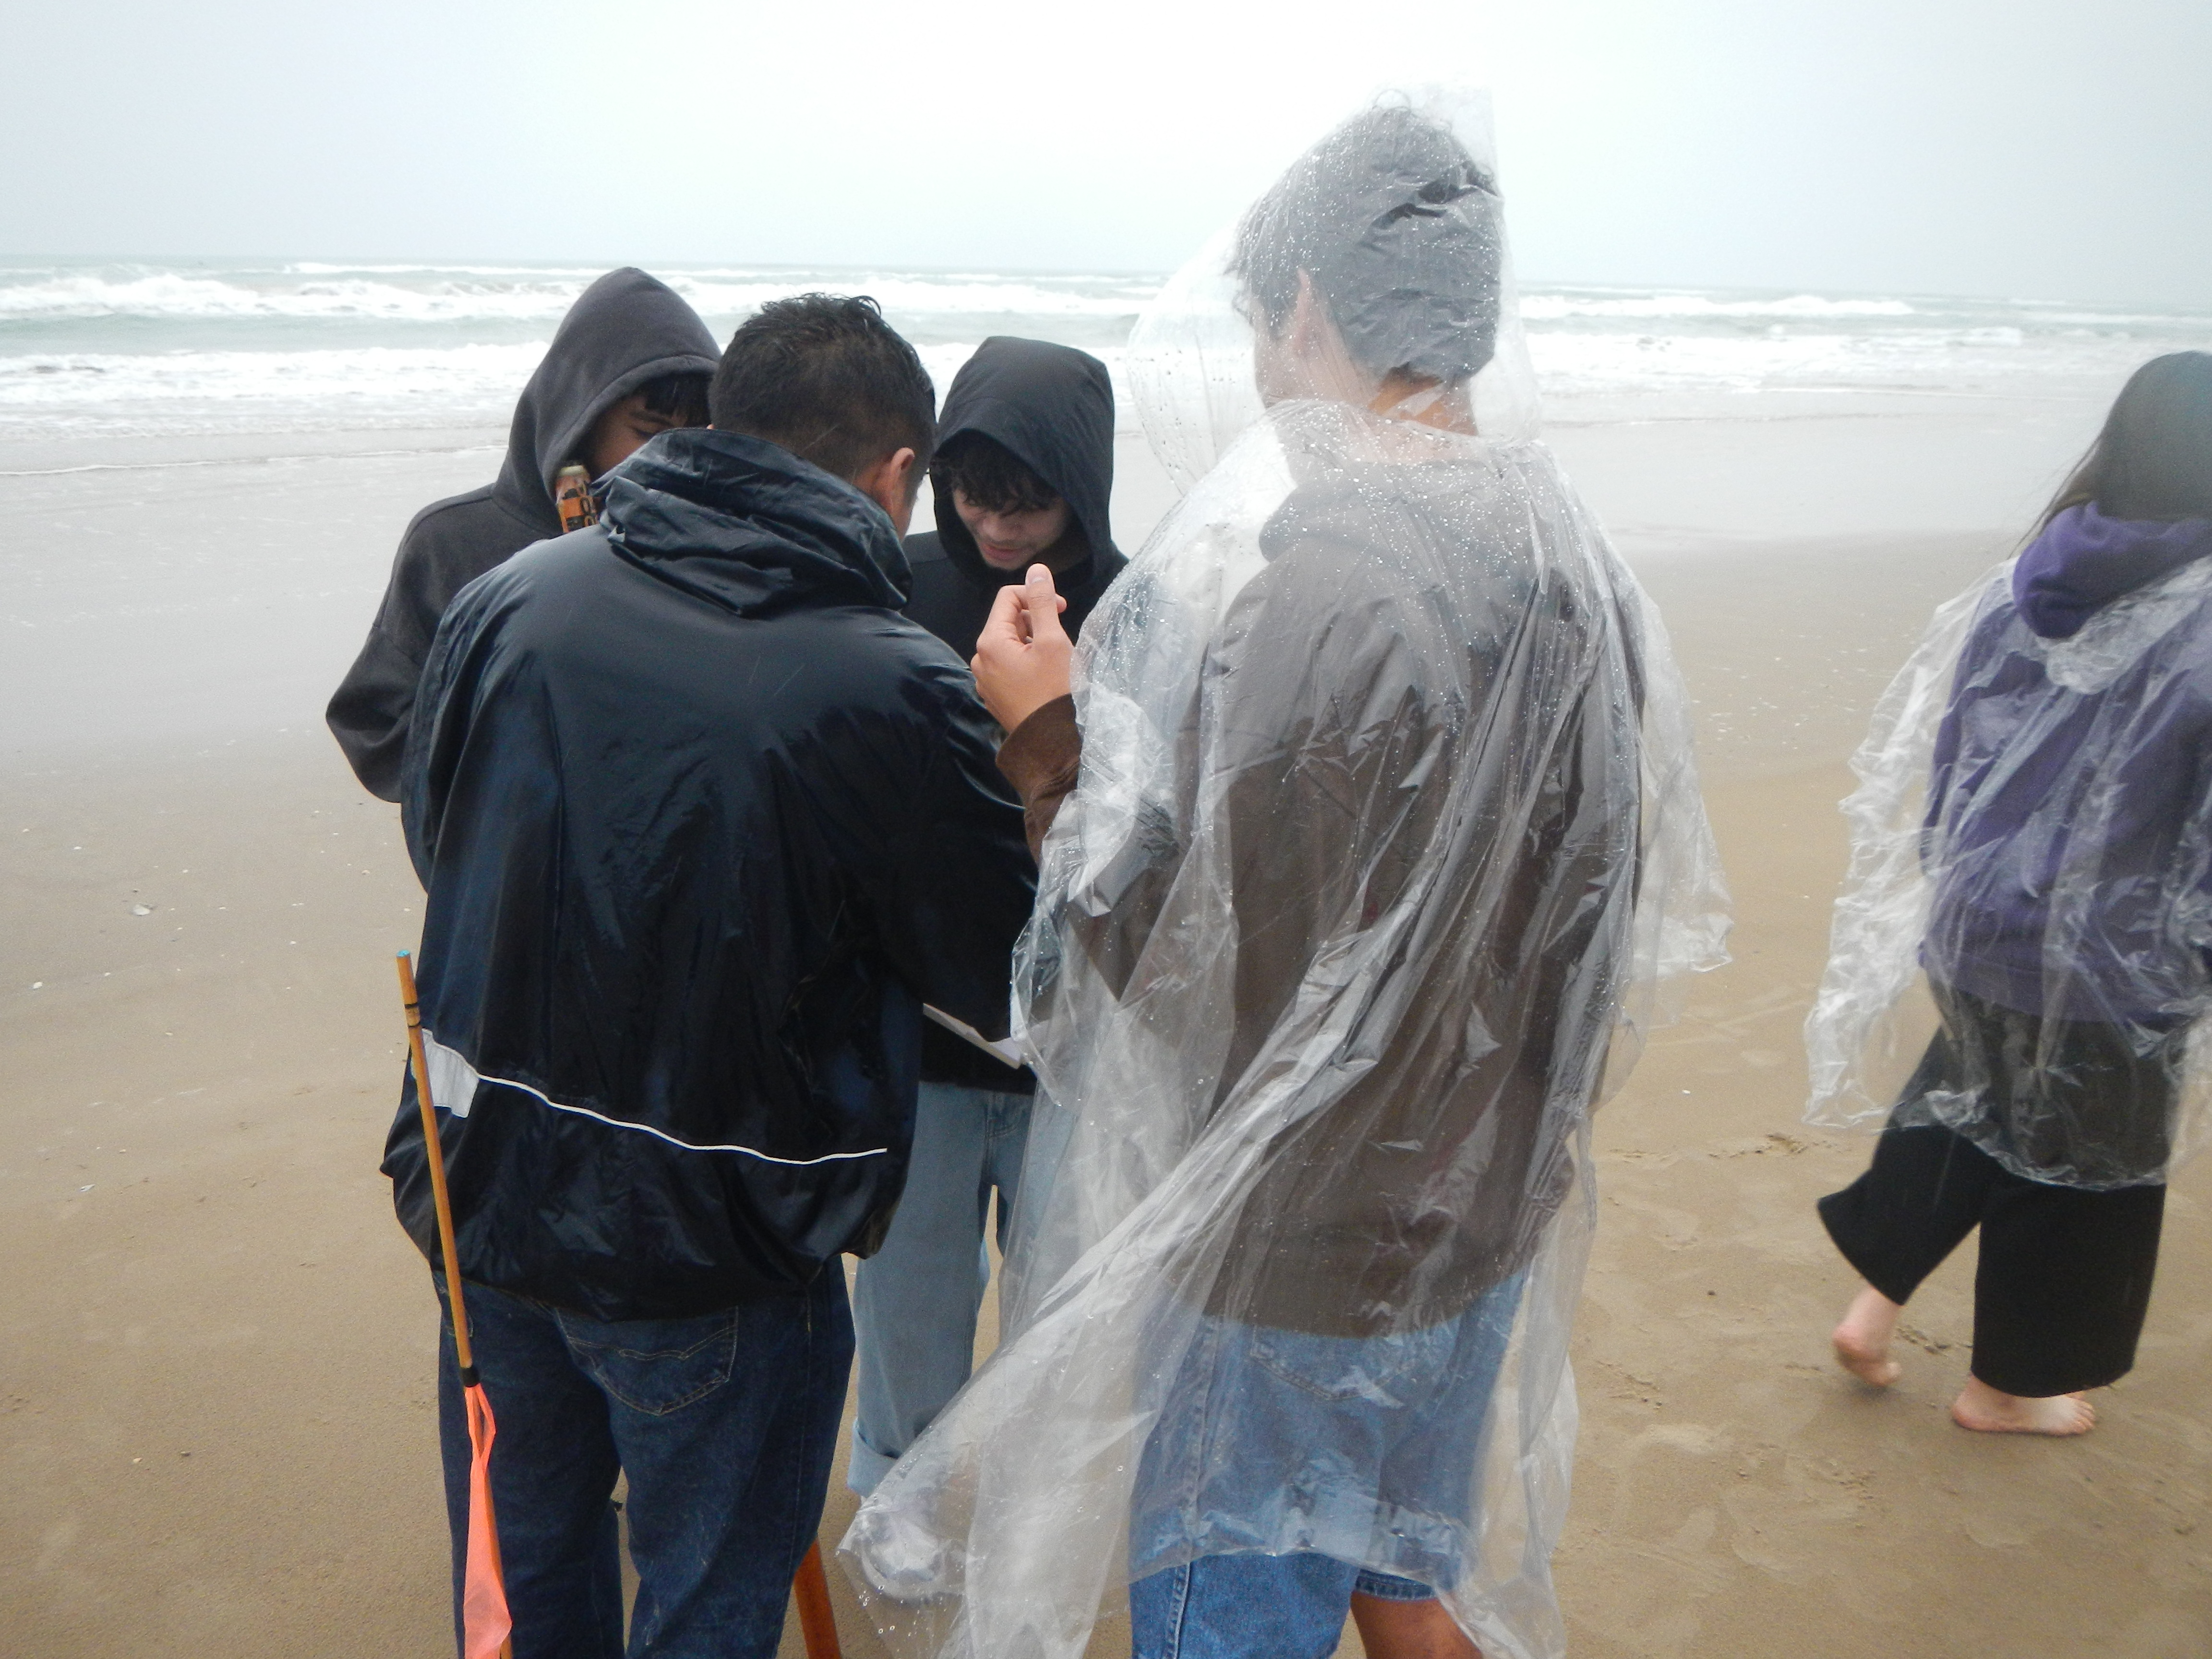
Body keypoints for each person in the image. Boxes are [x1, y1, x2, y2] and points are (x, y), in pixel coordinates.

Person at [843, 98, 1725, 1659]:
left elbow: (1199, 974)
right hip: (1477, 1211)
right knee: (1404, 1563)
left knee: (1238, 1598)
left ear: (1310, 311)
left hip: (1291, 1257)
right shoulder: (1571, 559)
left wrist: (1045, 741)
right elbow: (1598, 914)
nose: (1257, 372)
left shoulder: (1324, 580)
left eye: (1264, 328)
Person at [384, 293, 1036, 1659]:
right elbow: (1011, 974)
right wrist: (1036, 745)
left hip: (487, 1194)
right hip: (714, 1252)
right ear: (895, 478)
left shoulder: (512, 597)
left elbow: (441, 843)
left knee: (533, 1585)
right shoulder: (896, 684)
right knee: (697, 1610)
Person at [1807, 350, 2212, 1437]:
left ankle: (1870, 1307)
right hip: (2116, 955)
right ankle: (2007, 1389)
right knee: (2083, 1169)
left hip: (1981, 917)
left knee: (1973, 1100)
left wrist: (1954, 879)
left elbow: (1956, 751)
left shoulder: (2031, 575)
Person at [848, 335, 1128, 1498]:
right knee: (913, 1275)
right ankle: (897, 1474)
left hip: (1078, 1017)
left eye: (1033, 503)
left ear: (1087, 486)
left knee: (1061, 1281)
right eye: (975, 498)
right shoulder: (891, 578)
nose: (1001, 530)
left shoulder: (1138, 606)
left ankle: (1034, 1496)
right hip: (920, 1015)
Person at [327, 266, 718, 799]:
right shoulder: (453, 542)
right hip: (503, 866)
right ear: (579, 416)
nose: (673, 454)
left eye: (696, 434)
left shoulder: (719, 541)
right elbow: (374, 724)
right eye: (648, 431)